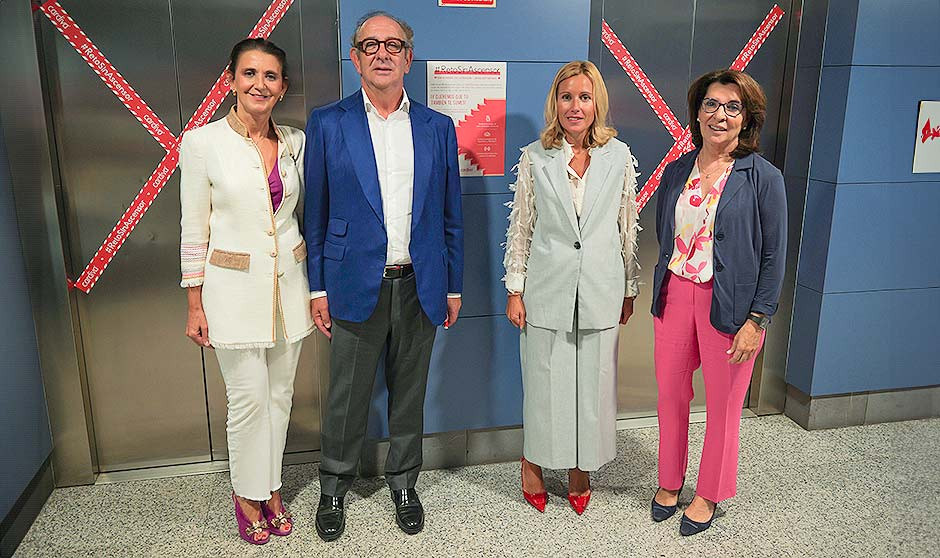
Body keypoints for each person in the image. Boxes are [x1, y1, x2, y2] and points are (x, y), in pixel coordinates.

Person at [303, 11, 463, 541]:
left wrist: (453, 284)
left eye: (393, 45)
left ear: (408, 58)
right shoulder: (329, 123)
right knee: (346, 397)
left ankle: (404, 483)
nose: (382, 53)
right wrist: (317, 286)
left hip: (420, 283)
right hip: (351, 283)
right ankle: (333, 487)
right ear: (355, 58)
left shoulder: (438, 127)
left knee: (409, 395)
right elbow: (316, 214)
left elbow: (451, 215)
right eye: (370, 45)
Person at [180, 38, 312, 545]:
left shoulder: (295, 142)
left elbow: (297, 216)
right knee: (248, 399)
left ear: (283, 87)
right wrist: (194, 302)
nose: (260, 84)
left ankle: (272, 487)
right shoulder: (202, 143)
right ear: (231, 80)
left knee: (280, 396)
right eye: (250, 73)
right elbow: (194, 228)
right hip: (230, 294)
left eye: (270, 76)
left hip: (289, 289)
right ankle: (247, 494)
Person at [649, 69, 786, 535]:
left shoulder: (763, 178)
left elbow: (774, 256)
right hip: (674, 296)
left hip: (731, 307)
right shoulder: (676, 171)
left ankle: (709, 492)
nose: (719, 115)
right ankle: (670, 481)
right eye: (711, 104)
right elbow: (665, 233)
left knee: (724, 405)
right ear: (697, 112)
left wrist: (757, 320)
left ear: (747, 118)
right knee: (670, 394)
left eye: (732, 106)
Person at [503, 60, 640, 516]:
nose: (575, 106)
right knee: (545, 383)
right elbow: (522, 227)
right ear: (555, 103)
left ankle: (581, 468)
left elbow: (626, 225)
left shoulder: (618, 156)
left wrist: (629, 287)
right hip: (547, 287)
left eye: (584, 97)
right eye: (566, 97)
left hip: (601, 286)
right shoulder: (535, 157)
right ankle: (533, 463)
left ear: (597, 102)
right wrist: (515, 289)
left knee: (593, 385)